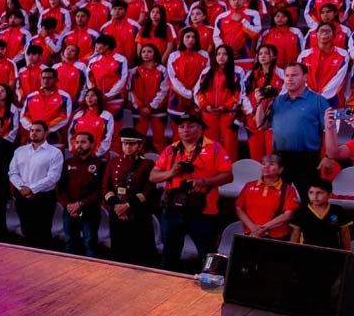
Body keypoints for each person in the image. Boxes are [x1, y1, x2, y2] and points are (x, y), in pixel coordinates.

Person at [150, 114, 234, 272]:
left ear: (201, 128)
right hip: (173, 209)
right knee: (169, 253)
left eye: (191, 126)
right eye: (181, 127)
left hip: (203, 210)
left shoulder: (214, 147)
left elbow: (228, 176)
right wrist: (171, 172)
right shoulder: (171, 149)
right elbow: (153, 176)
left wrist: (203, 182)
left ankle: (209, 284)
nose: (186, 130)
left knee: (207, 254)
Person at [253, 61, 330, 199]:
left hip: (307, 159)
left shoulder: (318, 101)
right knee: (277, 199)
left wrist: (328, 156)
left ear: (305, 77)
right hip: (280, 158)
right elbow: (261, 126)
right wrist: (259, 103)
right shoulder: (277, 101)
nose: (289, 79)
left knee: (309, 199)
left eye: (294, 75)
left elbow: (330, 130)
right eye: (287, 75)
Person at [103, 128, 157, 266]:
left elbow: (148, 191)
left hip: (137, 213)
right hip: (116, 212)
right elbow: (105, 186)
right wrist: (117, 206)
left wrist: (127, 206)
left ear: (139, 145)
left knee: (140, 254)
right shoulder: (114, 161)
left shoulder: (147, 164)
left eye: (132, 144)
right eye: (125, 143)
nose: (127, 147)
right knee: (118, 252)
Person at [57, 132, 106, 257]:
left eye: (83, 142)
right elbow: (62, 187)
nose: (79, 145)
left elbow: (100, 190)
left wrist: (80, 204)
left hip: (90, 211)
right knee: (70, 242)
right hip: (70, 211)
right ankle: (69, 268)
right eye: (77, 142)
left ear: (92, 144)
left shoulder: (100, 164)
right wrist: (69, 205)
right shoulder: (68, 163)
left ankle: (90, 269)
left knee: (89, 243)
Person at [234, 154, 300, 240]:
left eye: (271, 164)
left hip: (276, 237)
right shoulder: (249, 186)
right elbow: (239, 208)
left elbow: (288, 215)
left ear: (280, 169)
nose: (266, 166)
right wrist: (253, 228)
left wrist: (263, 228)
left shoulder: (288, 190)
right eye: (263, 163)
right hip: (251, 234)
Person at [288, 179, 352, 250]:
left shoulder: (338, 210)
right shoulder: (301, 211)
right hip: (307, 252)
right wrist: (292, 251)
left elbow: (345, 233)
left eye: (319, 193)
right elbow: (295, 234)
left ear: (329, 195)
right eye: (311, 192)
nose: (314, 196)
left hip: (333, 251)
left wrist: (347, 252)